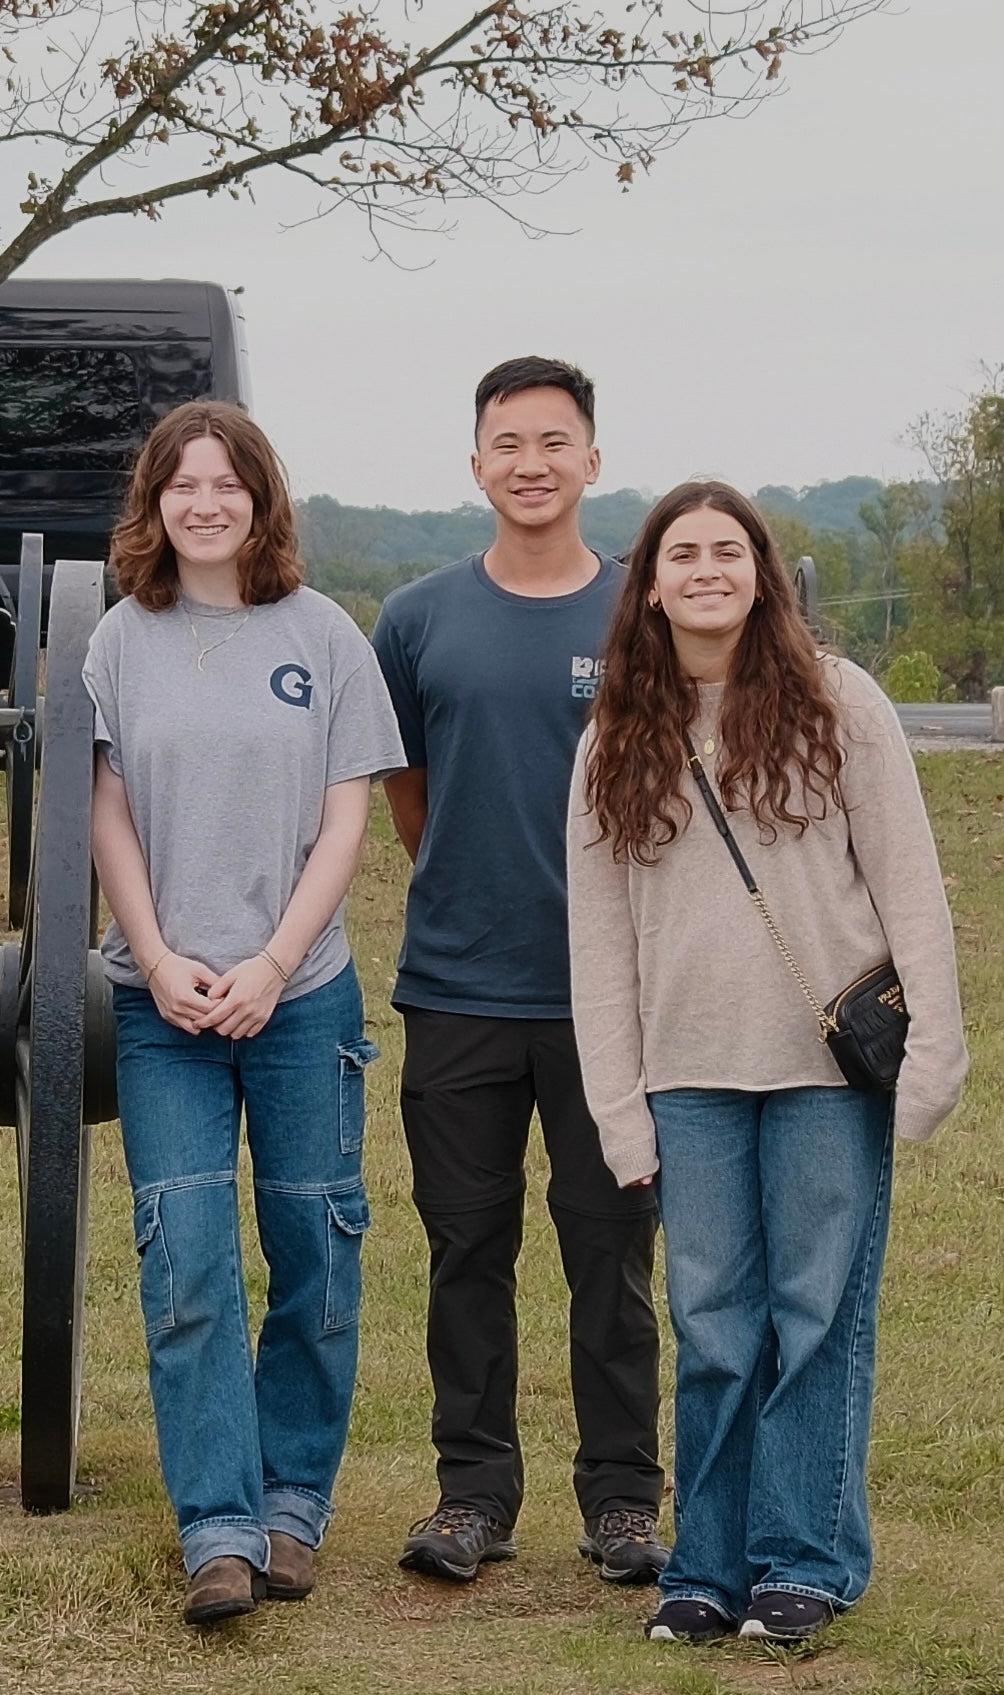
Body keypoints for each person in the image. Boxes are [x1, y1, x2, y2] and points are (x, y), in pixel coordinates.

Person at [565, 483, 969, 1646]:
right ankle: (706, 1563)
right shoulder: (612, 741)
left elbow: (909, 887)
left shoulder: (839, 705)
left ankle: (802, 1557)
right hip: (685, 1074)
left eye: (725, 550)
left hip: (822, 1072)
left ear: (762, 573)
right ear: (647, 583)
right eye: (679, 552)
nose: (703, 569)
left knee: (814, 1314)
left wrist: (933, 1049)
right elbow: (595, 941)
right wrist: (616, 1106)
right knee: (713, 1321)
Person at [88, 400, 407, 1627]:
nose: (204, 502)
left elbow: (346, 817)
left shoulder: (321, 634)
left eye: (226, 482)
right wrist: (158, 956)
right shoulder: (121, 640)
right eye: (182, 483)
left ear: (260, 498)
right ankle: (215, 1528)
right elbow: (107, 813)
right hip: (162, 999)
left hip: (298, 991)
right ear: (154, 502)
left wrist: (274, 962)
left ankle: (289, 1509)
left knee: (315, 1250)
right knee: (188, 1261)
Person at [369, 356, 667, 1586]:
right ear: (476, 462)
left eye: (554, 440)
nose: (531, 462)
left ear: (592, 460)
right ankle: (472, 1494)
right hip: (456, 991)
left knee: (611, 1259)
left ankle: (622, 1502)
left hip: (615, 1001)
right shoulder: (417, 617)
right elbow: (408, 793)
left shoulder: (642, 613)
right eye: (507, 441)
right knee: (464, 1253)